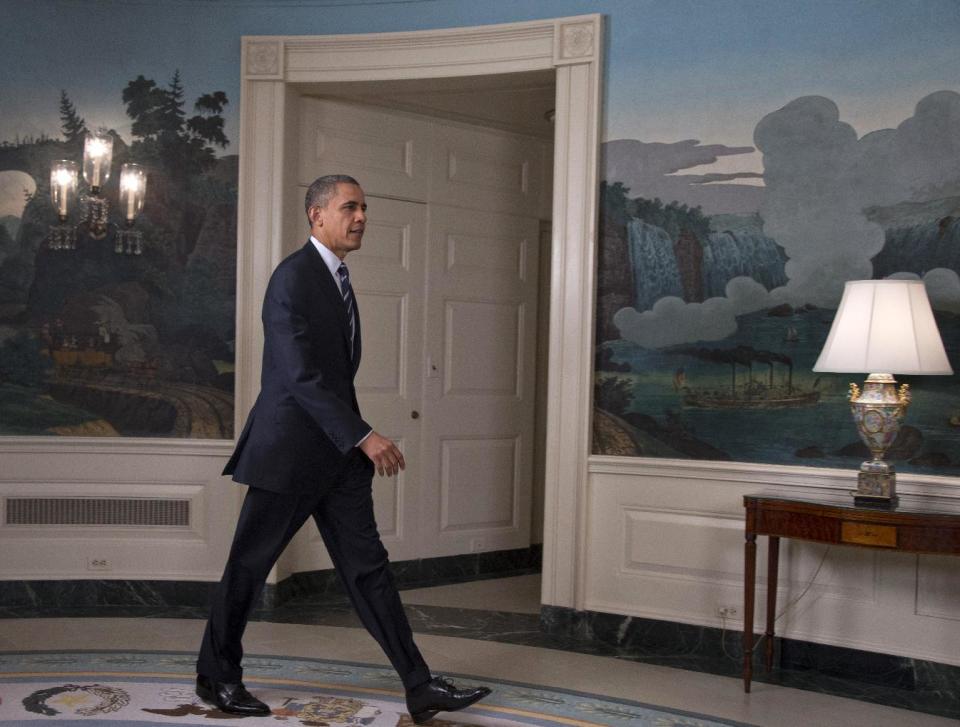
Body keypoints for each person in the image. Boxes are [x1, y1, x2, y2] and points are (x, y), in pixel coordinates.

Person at [196, 174, 491, 724]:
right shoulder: (292, 278)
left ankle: (419, 686)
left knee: (368, 569)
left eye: (364, 209)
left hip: (336, 458)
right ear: (317, 215)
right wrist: (364, 435)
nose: (361, 218)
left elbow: (333, 379)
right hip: (288, 452)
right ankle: (218, 678)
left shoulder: (338, 278)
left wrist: (351, 441)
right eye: (350, 207)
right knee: (249, 567)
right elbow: (299, 378)